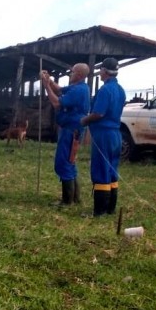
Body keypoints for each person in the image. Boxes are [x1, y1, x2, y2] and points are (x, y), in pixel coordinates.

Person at [80, 57, 126, 217]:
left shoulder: (105, 90)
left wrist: (84, 120)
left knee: (101, 169)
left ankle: (99, 211)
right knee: (112, 170)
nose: (99, 72)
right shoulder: (120, 90)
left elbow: (99, 113)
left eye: (101, 70)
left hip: (104, 135)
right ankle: (110, 209)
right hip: (116, 134)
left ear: (105, 71)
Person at [41, 64, 91, 205]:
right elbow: (59, 89)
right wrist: (49, 80)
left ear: (79, 74)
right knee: (70, 161)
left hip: (70, 129)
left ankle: (67, 200)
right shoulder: (80, 87)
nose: (70, 74)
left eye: (72, 72)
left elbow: (57, 103)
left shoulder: (78, 90)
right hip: (74, 128)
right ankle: (75, 198)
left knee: (63, 162)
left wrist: (46, 86)